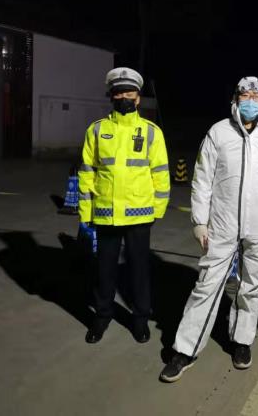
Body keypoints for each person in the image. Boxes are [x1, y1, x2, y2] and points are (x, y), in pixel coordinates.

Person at [160, 76, 258, 382]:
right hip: (222, 224)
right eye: (245, 95)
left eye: (256, 97)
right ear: (235, 99)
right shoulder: (218, 133)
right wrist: (199, 221)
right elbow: (202, 180)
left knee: (251, 285)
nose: (250, 101)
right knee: (206, 285)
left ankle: (242, 341)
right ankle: (185, 350)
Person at [79, 67, 170, 344]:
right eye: (118, 93)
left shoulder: (151, 132)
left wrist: (157, 209)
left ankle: (140, 319)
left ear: (138, 98)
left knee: (139, 270)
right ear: (111, 97)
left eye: (129, 93)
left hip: (139, 216)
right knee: (104, 270)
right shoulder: (97, 130)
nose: (124, 98)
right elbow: (87, 172)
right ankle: (102, 316)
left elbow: (160, 173)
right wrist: (86, 212)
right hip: (105, 214)